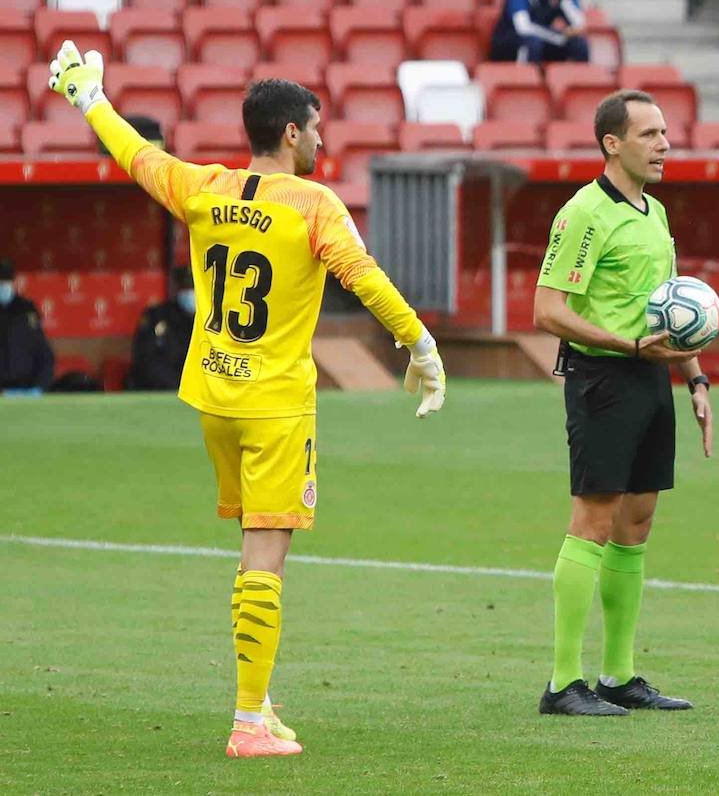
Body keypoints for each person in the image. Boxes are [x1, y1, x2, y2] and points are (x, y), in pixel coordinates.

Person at [48, 42, 447, 758]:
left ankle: (260, 699)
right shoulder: (314, 204)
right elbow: (363, 275)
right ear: (291, 132)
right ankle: (247, 724)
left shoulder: (204, 186)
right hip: (275, 407)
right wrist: (419, 343)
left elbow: (135, 156)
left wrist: (87, 98)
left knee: (251, 551)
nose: (321, 140)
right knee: (266, 556)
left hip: (214, 396)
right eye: (316, 128)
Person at [531, 89, 712, 716]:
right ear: (613, 143)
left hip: (650, 378)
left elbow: (668, 310)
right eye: (650, 134)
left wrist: (695, 380)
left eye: (665, 133)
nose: (664, 144)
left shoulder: (655, 214)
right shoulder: (584, 212)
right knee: (595, 520)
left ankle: (618, 676)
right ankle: (561, 683)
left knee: (636, 525)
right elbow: (547, 309)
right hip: (603, 378)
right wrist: (628, 346)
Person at [126, 266, 195, 391]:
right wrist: (177, 385)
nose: (190, 293)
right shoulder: (157, 315)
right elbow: (145, 358)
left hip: (195, 391)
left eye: (193, 288)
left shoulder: (209, 318)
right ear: (176, 289)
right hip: (159, 389)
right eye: (185, 288)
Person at [0, 258, 54, 394]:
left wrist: (40, 387)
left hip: (27, 388)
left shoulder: (26, 309)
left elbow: (43, 353)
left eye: (6, 282)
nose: (3, 286)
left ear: (13, 283)